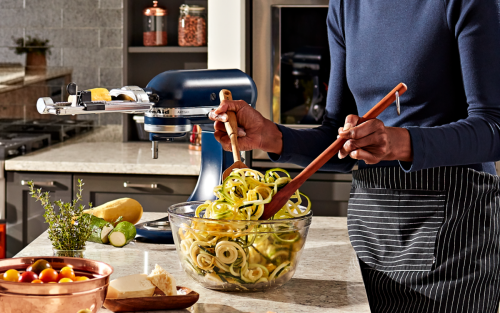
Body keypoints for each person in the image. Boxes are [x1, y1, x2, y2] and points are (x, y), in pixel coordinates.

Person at [209, 0, 500, 312]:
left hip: (453, 237)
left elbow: (493, 126)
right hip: (372, 233)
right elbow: (338, 136)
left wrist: (399, 142)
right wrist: (272, 136)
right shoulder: (347, 5)